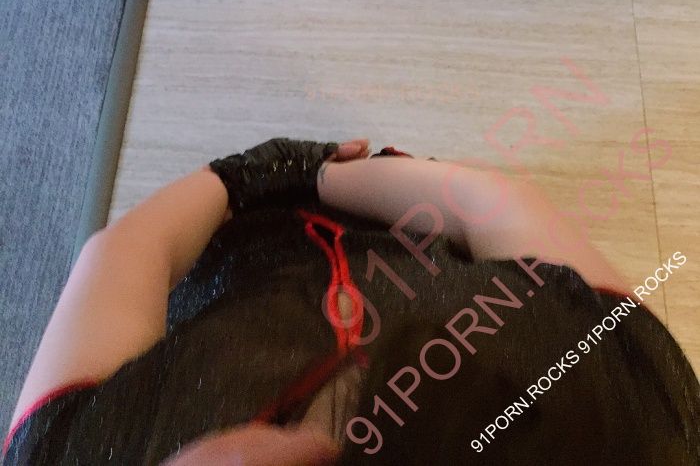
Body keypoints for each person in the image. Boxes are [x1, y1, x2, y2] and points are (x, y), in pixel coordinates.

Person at [4, 136, 699, 465]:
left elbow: (128, 251)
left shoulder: (69, 454)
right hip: (401, 229)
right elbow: (492, 203)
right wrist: (332, 176)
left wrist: (258, 175)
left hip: (250, 253)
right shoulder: (624, 402)